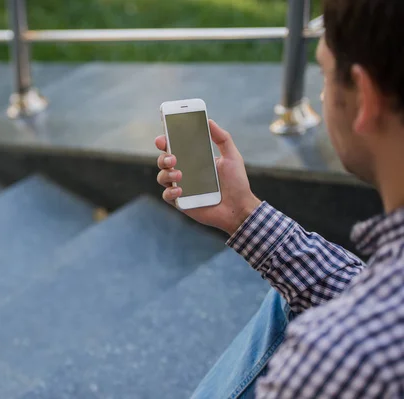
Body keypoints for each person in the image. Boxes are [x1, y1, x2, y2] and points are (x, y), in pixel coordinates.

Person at [155, 0, 404, 397]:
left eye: (323, 75)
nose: (321, 99)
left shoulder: (336, 359)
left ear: (366, 100)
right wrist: (244, 214)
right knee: (286, 299)